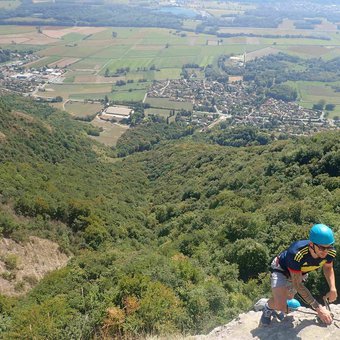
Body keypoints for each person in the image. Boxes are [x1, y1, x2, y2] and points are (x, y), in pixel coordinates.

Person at [260, 223, 337, 326]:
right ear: (311, 245)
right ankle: (267, 308)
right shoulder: (297, 253)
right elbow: (298, 285)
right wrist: (319, 308)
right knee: (280, 305)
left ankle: (281, 300)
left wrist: (333, 288)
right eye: (322, 248)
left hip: (300, 272)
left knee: (289, 297)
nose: (326, 252)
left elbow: (328, 268)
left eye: (329, 247)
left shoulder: (330, 252)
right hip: (282, 269)